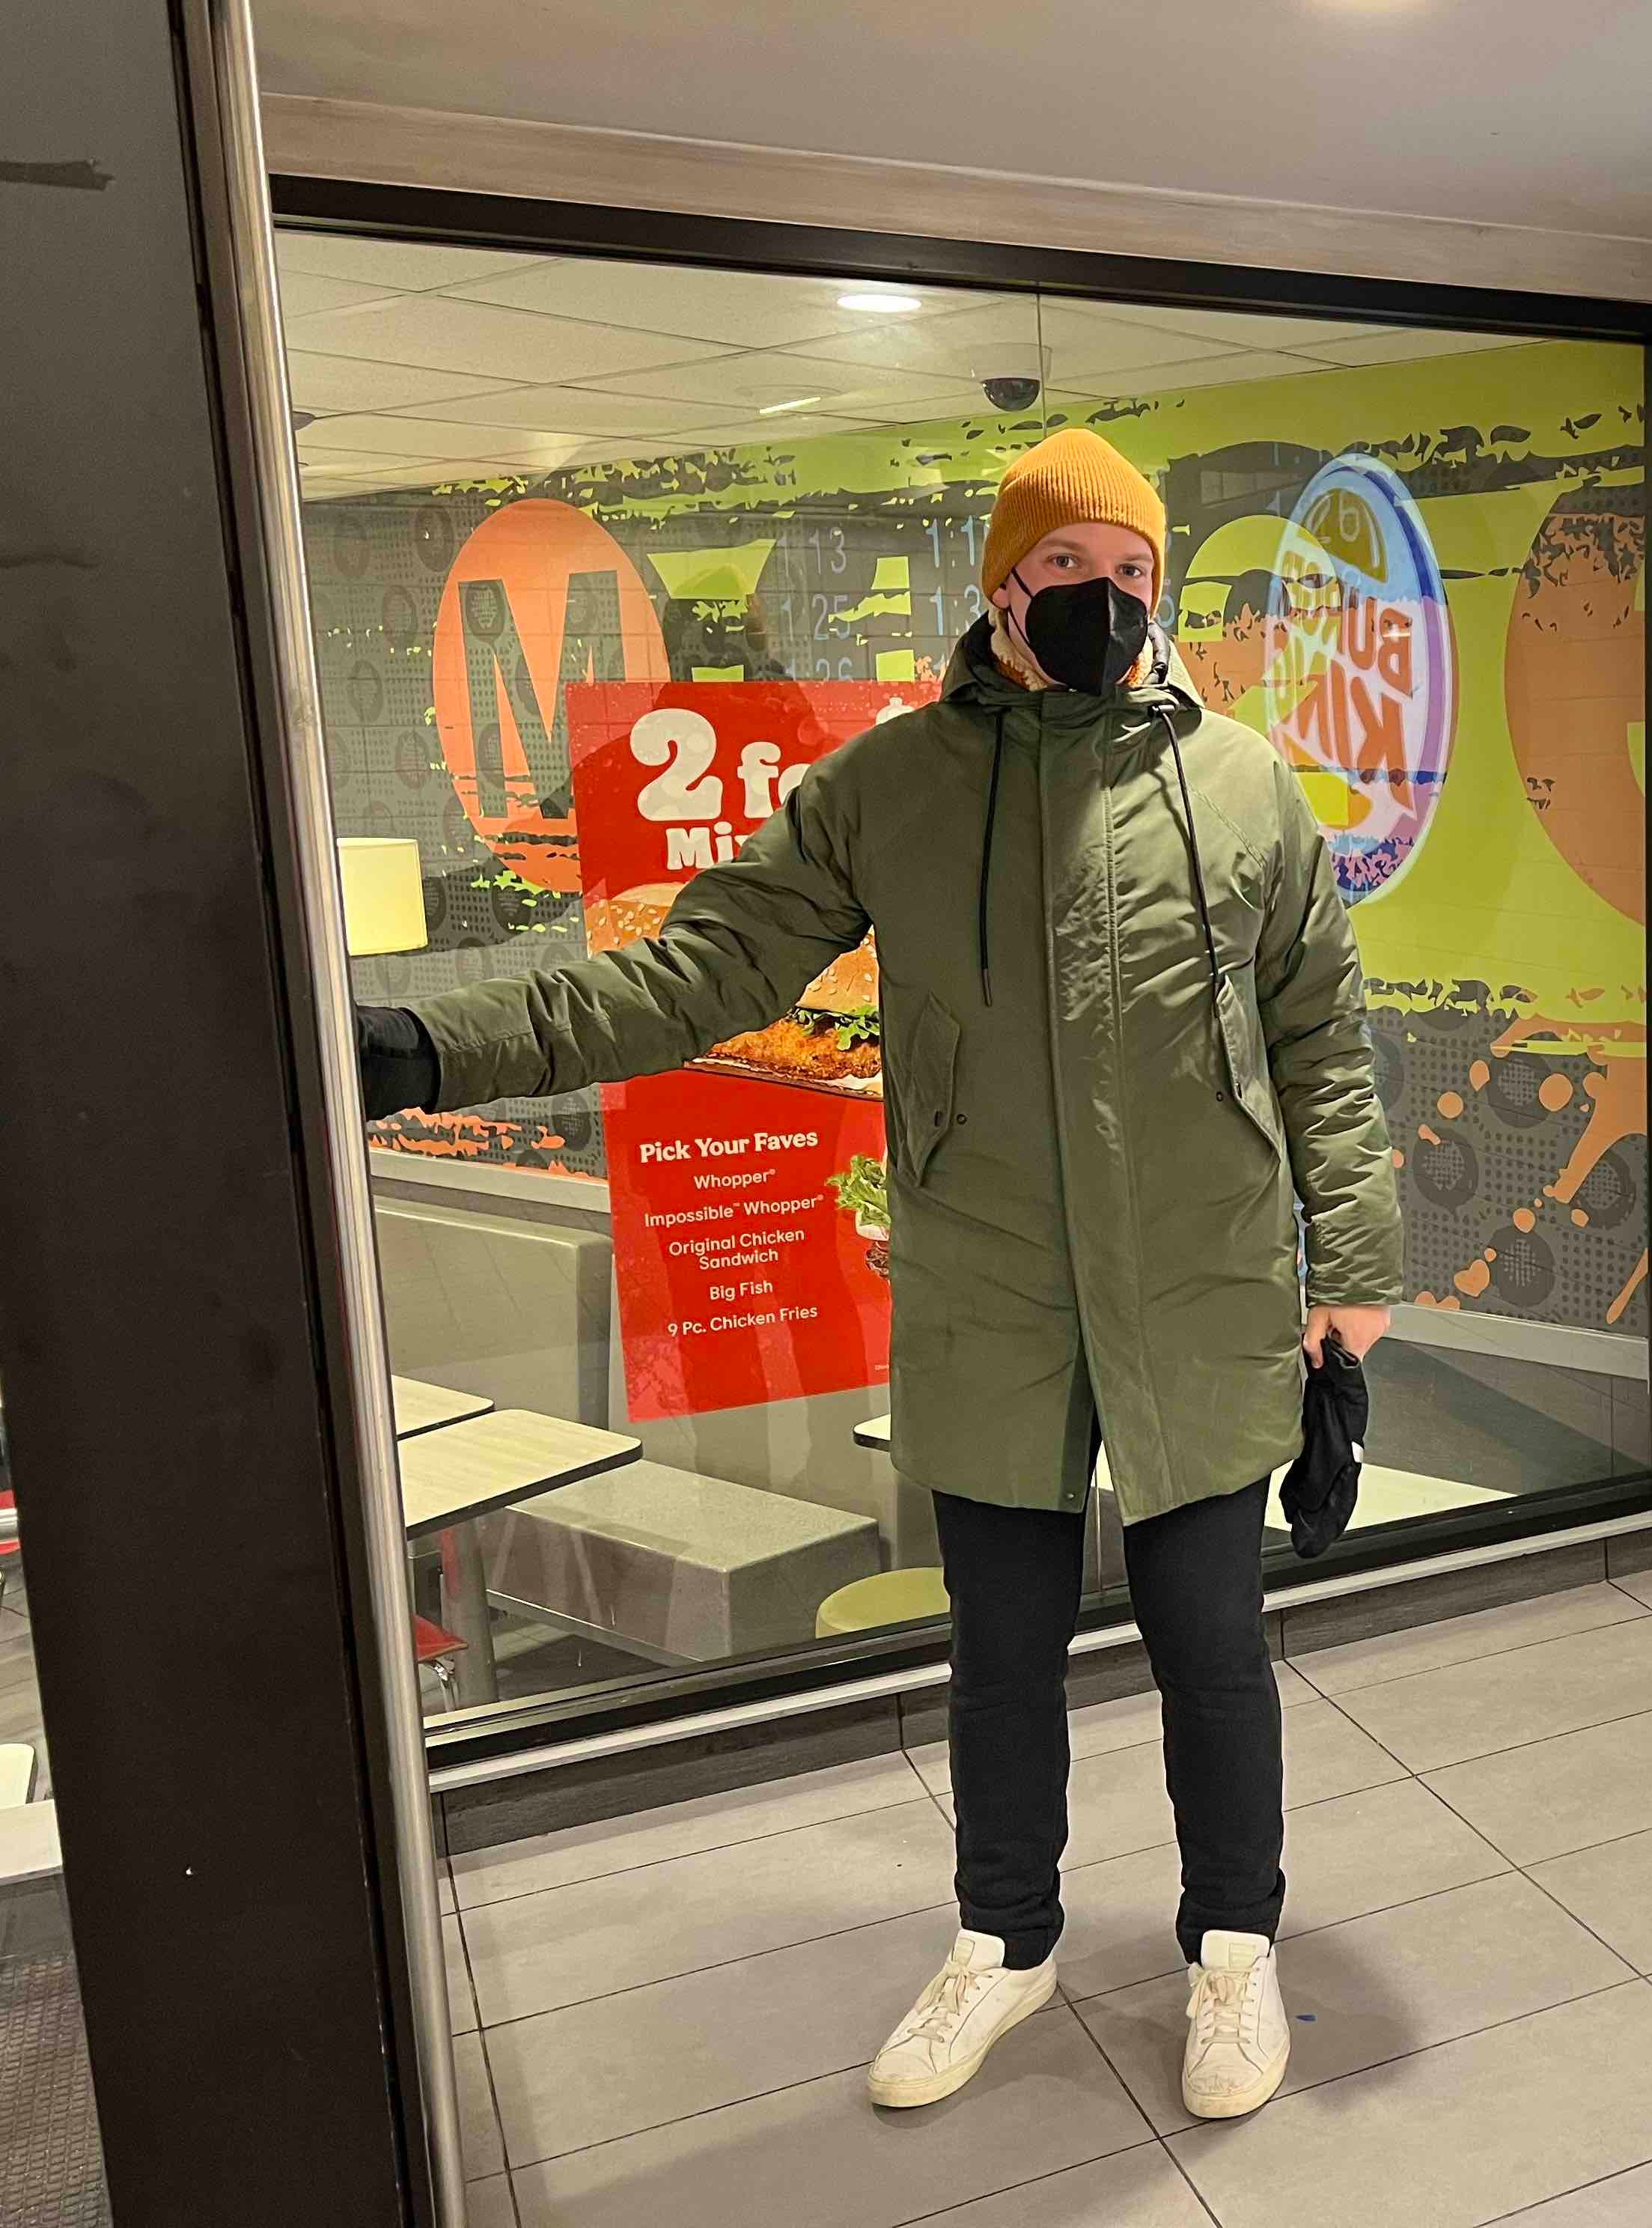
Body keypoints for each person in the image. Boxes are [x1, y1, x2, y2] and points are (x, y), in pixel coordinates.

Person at [354, 427, 1402, 2121]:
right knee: (999, 1649)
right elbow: (686, 982)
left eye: (1135, 574)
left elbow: (1322, 1048)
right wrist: (425, 1047)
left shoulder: (1245, 787)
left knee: (1213, 1643)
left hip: (1203, 1287)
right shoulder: (885, 790)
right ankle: (1006, 1942)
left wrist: (1347, 1279)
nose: (1108, 602)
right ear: (1005, 585)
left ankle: (1232, 1948)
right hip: (989, 1290)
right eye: (1074, 571)